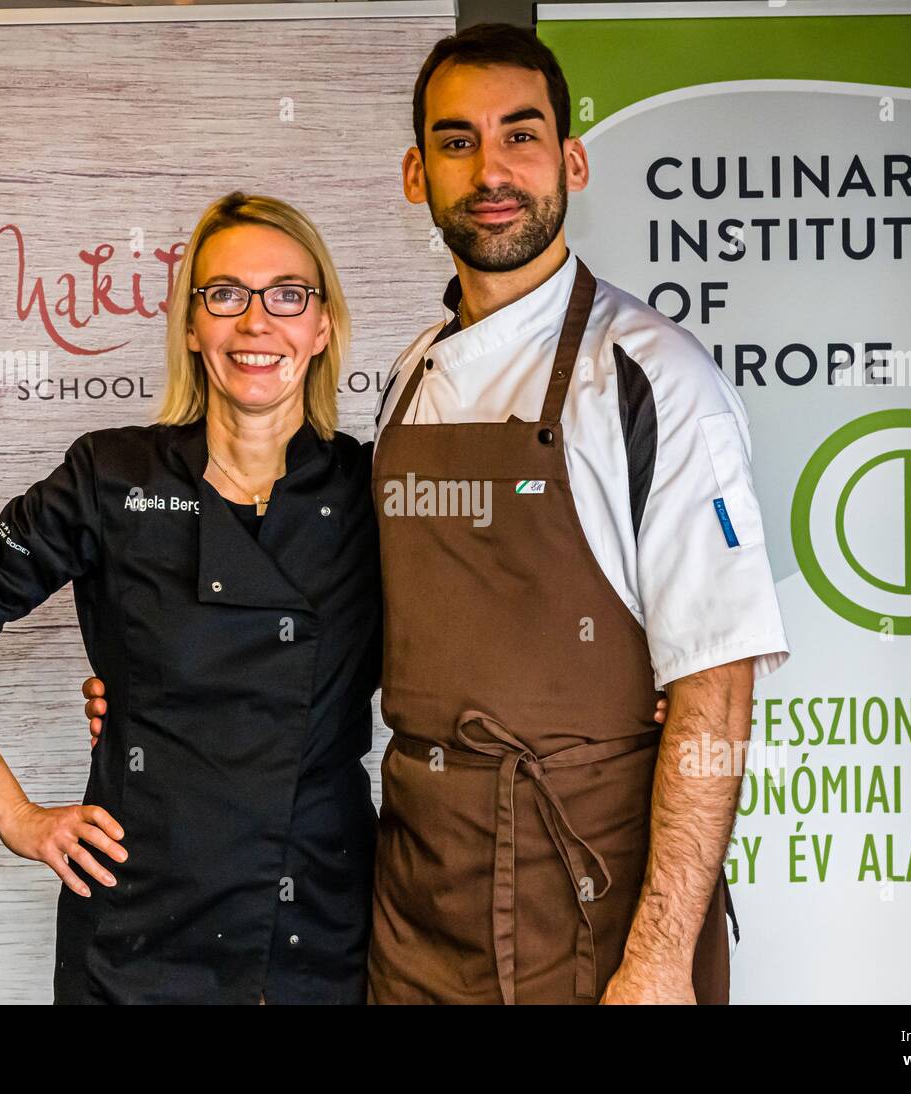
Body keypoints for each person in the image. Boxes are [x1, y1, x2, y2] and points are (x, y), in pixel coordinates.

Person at [360, 23, 791, 1005]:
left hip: (588, 897)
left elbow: (715, 686)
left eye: (520, 134)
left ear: (571, 158)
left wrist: (660, 955)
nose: (490, 169)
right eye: (456, 141)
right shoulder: (404, 376)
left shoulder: (654, 377)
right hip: (417, 895)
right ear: (414, 174)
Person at [0, 192, 383, 1004]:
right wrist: (17, 817)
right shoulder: (113, 479)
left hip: (317, 921)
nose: (256, 322)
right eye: (224, 296)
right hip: (139, 935)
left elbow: (459, 656)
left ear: (322, 327)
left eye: (288, 295)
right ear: (190, 325)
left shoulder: (372, 491)